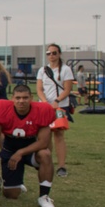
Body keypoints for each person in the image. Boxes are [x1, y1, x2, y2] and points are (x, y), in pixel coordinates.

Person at [0, 84, 55, 207]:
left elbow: (44, 142)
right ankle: (17, 183)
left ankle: (44, 197)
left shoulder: (42, 110)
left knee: (45, 154)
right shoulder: (2, 109)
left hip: (32, 151)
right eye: (18, 98)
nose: (21, 101)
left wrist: (20, 153)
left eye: (25, 98)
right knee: (11, 195)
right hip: (10, 150)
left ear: (31, 98)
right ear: (12, 98)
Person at [35, 44, 73, 178]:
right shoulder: (42, 70)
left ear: (59, 54)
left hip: (60, 106)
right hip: (45, 106)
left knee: (59, 134)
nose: (51, 56)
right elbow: (39, 88)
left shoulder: (66, 70)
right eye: (49, 53)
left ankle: (61, 165)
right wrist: (45, 102)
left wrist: (56, 101)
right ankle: (47, 162)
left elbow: (67, 89)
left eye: (54, 53)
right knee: (45, 135)